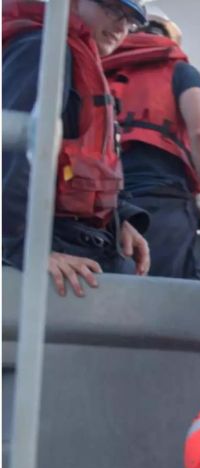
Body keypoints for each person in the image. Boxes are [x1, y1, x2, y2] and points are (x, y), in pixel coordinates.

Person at [2, 0, 151, 297]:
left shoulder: (76, 56)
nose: (122, 27)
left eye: (130, 21)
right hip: (49, 250)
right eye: (112, 10)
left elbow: (90, 159)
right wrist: (23, 250)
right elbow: (11, 151)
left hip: (82, 243)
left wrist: (119, 219)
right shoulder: (41, 51)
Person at [102, 10, 200, 279]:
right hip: (163, 207)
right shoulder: (180, 70)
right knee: (168, 307)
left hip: (105, 208)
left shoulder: (98, 67)